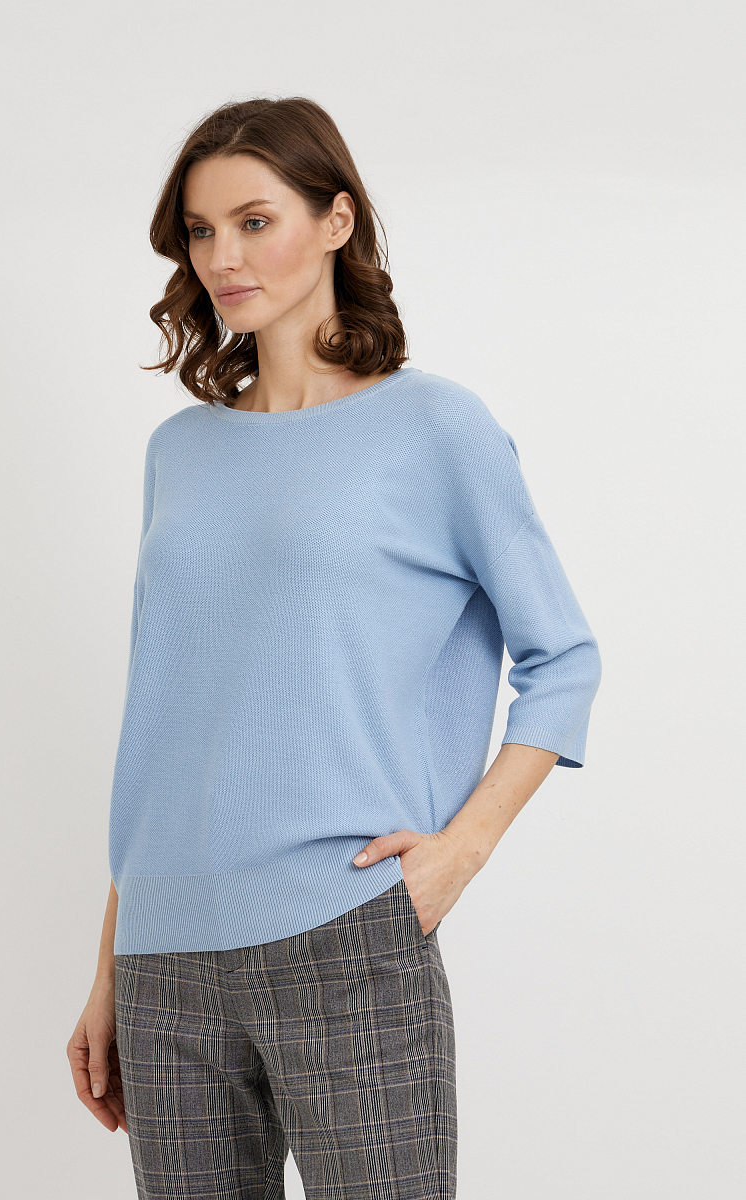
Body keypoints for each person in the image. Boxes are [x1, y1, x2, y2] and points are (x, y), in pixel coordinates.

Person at [67, 95, 602, 1200]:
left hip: (345, 931)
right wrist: (110, 966)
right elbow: (167, 716)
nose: (223, 256)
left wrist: (455, 855)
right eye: (201, 231)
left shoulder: (435, 427)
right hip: (163, 958)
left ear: (337, 221)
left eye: (254, 221)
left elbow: (564, 661)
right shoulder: (181, 452)